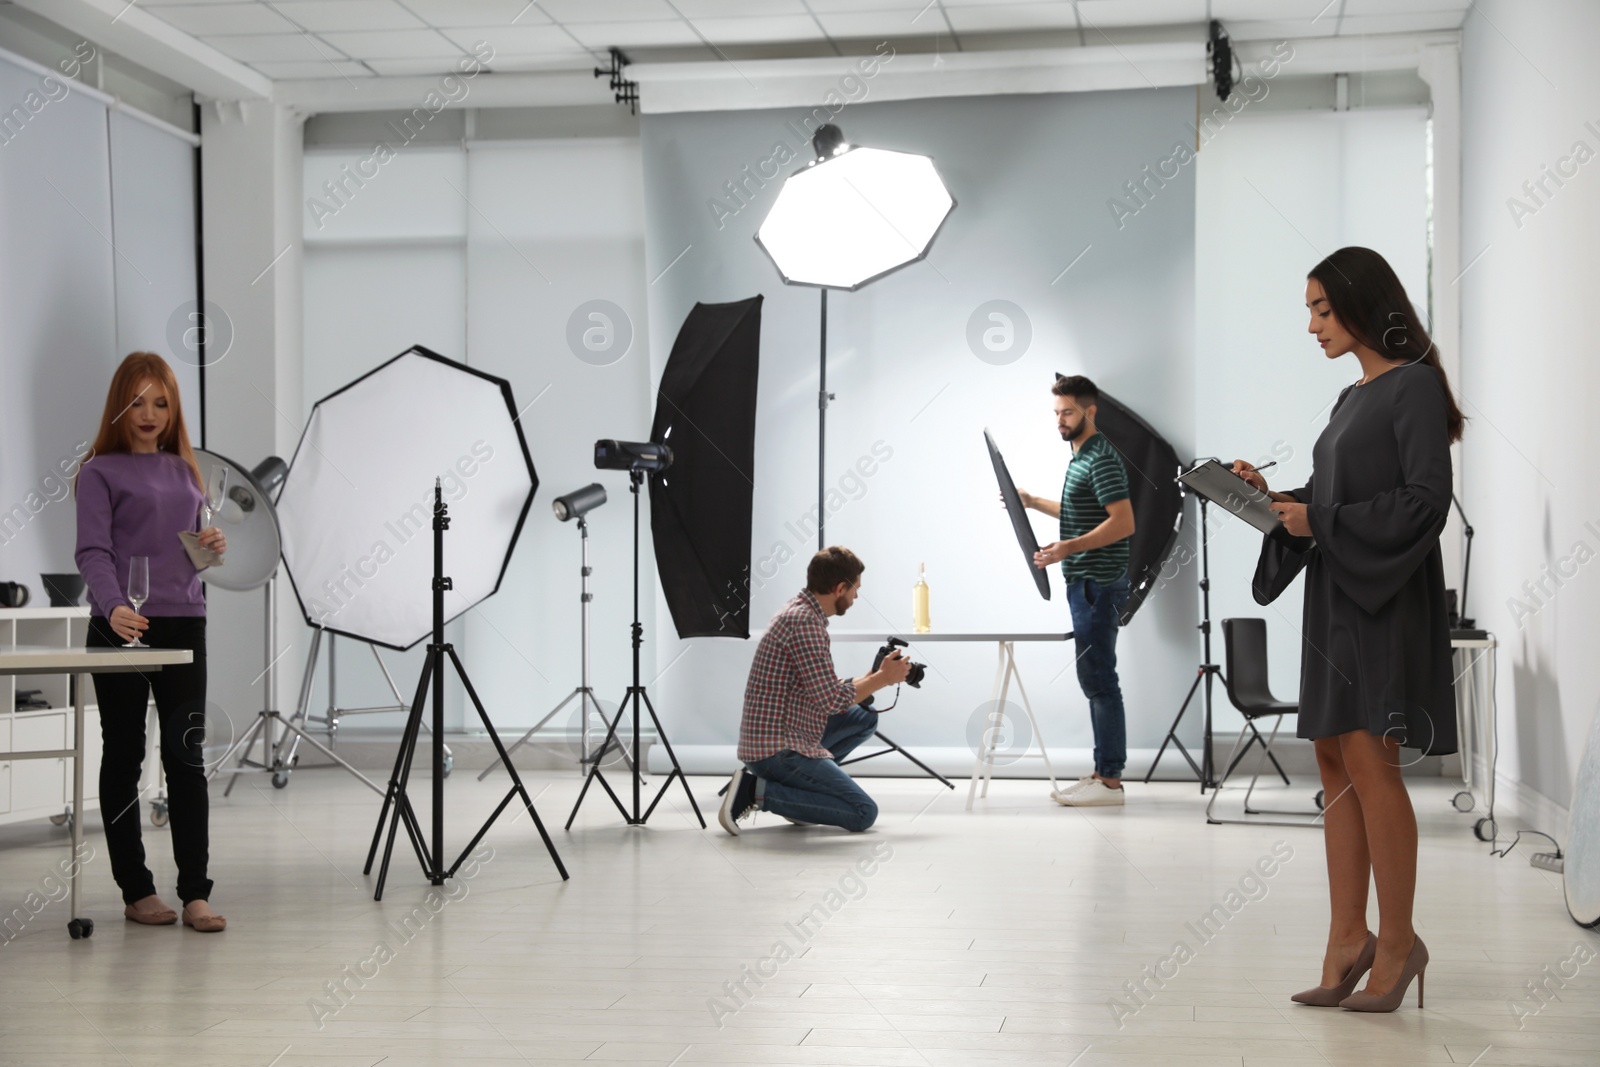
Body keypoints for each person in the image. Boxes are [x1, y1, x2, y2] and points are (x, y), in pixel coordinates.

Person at [1237, 246, 1460, 1013]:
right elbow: (1331, 498)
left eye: (1322, 309)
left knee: (1372, 765)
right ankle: (1346, 937)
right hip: (1336, 600)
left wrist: (1318, 519)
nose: (1311, 325)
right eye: (1309, 309)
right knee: (1333, 766)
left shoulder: (1414, 388)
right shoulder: (1347, 399)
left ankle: (1397, 942)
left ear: (1366, 305)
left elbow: (1427, 502)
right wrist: (1273, 499)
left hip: (1381, 600)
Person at [75, 352, 228, 933]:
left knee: (186, 755)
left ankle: (195, 893)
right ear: (120, 404)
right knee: (125, 754)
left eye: (160, 403)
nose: (149, 413)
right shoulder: (99, 472)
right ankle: (136, 890)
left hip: (184, 621)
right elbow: (93, 550)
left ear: (173, 409)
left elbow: (186, 553)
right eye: (137, 401)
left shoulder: (186, 472)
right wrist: (113, 607)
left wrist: (210, 547)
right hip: (119, 625)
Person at [719, 546, 912, 835]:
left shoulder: (799, 610)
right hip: (777, 750)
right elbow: (831, 701)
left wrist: (871, 676)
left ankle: (802, 797)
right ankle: (755, 791)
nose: (856, 597)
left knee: (864, 716)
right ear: (839, 588)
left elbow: (821, 688)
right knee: (863, 813)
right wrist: (883, 679)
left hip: (782, 736)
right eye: (855, 590)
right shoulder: (806, 624)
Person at [1016, 375, 1136, 807]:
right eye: (1056, 413)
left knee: (1101, 680)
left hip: (1098, 585)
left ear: (1091, 411)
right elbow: (1079, 512)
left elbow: (1123, 522)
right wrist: (1032, 502)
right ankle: (1104, 771)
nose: (1060, 421)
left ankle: (1110, 781)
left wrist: (1068, 547)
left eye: (1067, 412)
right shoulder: (1080, 458)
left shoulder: (1101, 458)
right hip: (1084, 584)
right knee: (1095, 679)